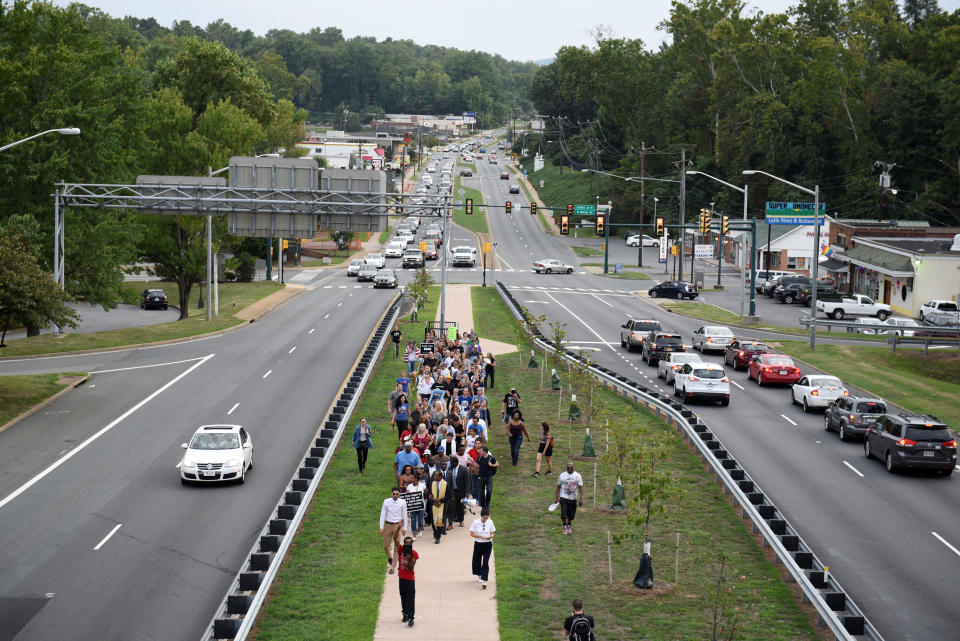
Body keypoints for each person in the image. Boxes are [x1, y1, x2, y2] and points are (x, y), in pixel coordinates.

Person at [379, 487, 408, 574]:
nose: (395, 495)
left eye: (397, 494)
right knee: (385, 546)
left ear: (399, 494)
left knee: (396, 547)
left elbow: (405, 515)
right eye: (394, 494)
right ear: (391, 493)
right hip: (388, 525)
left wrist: (404, 528)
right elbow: (383, 514)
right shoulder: (386, 501)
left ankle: (392, 568)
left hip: (397, 526)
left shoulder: (402, 502)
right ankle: (390, 557)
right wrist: (381, 527)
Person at [555, 461, 584, 535]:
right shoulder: (562, 475)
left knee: (571, 514)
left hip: (573, 497)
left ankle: (569, 525)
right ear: (566, 468)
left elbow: (580, 487)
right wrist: (556, 497)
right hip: (563, 496)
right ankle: (564, 527)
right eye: (568, 467)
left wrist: (581, 498)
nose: (570, 469)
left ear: (573, 468)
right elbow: (558, 487)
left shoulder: (577, 476)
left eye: (571, 467)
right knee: (564, 513)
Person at [469, 508, 495, 589]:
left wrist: (491, 536)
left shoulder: (490, 522)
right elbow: (472, 534)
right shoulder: (475, 522)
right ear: (481, 516)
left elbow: (492, 532)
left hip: (488, 544)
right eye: (484, 518)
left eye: (487, 518)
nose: (485, 519)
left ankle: (484, 579)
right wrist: (480, 536)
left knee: (485, 561)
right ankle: (479, 574)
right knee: (477, 560)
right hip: (478, 544)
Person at [397, 535, 418, 626]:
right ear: (404, 543)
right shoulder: (401, 550)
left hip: (410, 579)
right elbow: (394, 539)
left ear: (412, 544)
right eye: (406, 543)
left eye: (410, 543)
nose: (408, 544)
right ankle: (405, 613)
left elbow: (411, 567)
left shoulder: (414, 553)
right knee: (403, 597)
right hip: (401, 578)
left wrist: (409, 558)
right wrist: (398, 528)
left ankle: (411, 618)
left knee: (410, 599)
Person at [444, 455, 469, 528]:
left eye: (451, 462)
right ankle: (450, 524)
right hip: (452, 491)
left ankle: (461, 521)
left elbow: (467, 481)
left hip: (461, 491)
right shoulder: (450, 468)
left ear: (455, 462)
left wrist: (467, 492)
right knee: (451, 507)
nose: (449, 464)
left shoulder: (464, 469)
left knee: (461, 506)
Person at [406, 466, 427, 538]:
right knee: (413, 519)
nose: (411, 479)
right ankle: (414, 533)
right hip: (412, 507)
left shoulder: (422, 485)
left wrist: (423, 497)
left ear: (417, 479)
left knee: (420, 520)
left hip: (420, 506)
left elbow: (426, 491)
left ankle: (419, 529)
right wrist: (408, 493)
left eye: (413, 478)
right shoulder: (409, 486)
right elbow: (407, 494)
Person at [429, 469, 448, 544]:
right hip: (433, 504)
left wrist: (440, 500)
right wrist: (431, 497)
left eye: (436, 475)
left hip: (441, 505)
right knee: (433, 521)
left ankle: (438, 537)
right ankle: (435, 532)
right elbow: (430, 493)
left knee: (439, 521)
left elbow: (448, 496)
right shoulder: (433, 483)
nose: (434, 476)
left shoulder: (446, 484)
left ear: (440, 476)